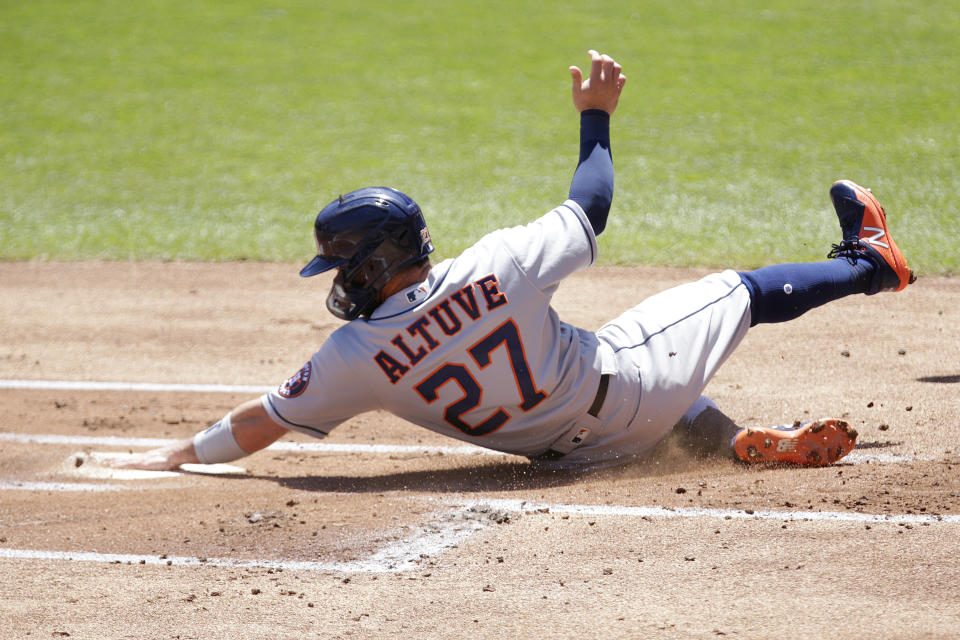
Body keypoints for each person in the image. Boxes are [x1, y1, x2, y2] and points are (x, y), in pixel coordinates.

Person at [108, 50, 913, 474]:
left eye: (343, 265)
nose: (341, 281)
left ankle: (733, 441)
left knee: (641, 371)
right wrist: (595, 118)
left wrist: (176, 454)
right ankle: (871, 262)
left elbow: (259, 425)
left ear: (372, 262)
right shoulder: (500, 266)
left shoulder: (354, 359)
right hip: (632, 392)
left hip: (568, 454)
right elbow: (590, 206)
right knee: (729, 293)